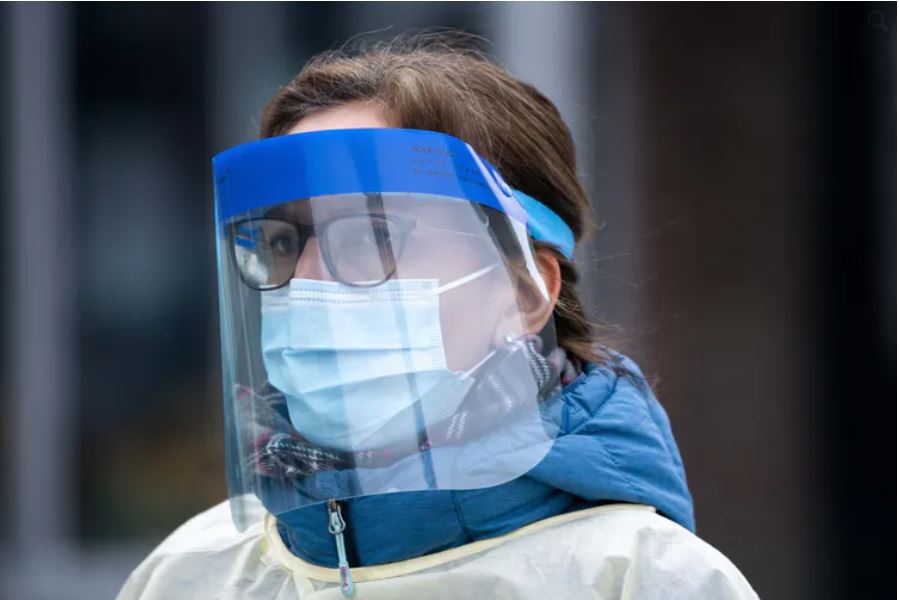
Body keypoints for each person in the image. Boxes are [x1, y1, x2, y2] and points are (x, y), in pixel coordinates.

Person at [117, 34, 758, 599]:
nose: (303, 282)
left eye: (371, 236)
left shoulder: (643, 580)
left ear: (525, 293)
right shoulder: (189, 576)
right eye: (284, 242)